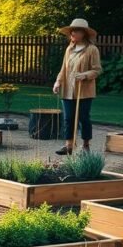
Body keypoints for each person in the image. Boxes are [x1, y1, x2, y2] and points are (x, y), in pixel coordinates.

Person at [52, 18, 102, 155]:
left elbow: (97, 70)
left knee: (83, 118)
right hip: (68, 90)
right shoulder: (69, 49)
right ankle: (68, 145)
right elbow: (64, 68)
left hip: (84, 91)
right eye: (72, 30)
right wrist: (58, 81)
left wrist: (85, 75)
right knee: (68, 118)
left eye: (77, 30)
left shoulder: (92, 49)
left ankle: (86, 145)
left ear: (84, 33)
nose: (73, 33)